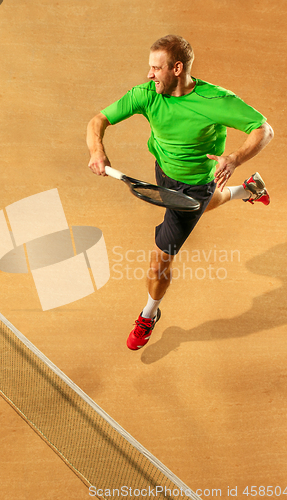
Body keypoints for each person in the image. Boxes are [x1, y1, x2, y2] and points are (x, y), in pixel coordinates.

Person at [86, 34, 274, 351]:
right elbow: (98, 120)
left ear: (176, 68)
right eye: (149, 67)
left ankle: (149, 313)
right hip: (164, 172)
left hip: (196, 184)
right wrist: (97, 150)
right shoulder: (146, 94)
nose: (149, 74)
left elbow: (263, 129)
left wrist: (234, 158)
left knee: (160, 260)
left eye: (155, 68)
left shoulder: (215, 101)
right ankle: (249, 190)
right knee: (201, 207)